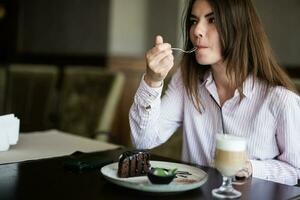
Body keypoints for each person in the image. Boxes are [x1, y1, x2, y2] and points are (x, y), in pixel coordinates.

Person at [129, 0, 300, 185]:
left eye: (212, 20)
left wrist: (252, 168)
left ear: (239, 27)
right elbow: (143, 140)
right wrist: (152, 81)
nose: (196, 31)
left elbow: (295, 170)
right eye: (194, 21)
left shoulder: (281, 99)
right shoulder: (186, 80)